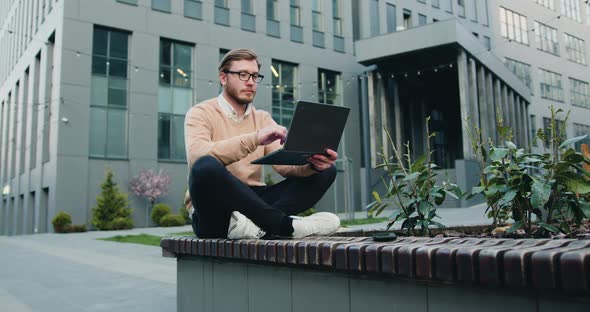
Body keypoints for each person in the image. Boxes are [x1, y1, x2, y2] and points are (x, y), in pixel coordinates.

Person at [184, 48, 341, 239]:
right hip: (214, 210)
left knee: (326, 171)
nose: (250, 82)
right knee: (204, 165)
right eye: (243, 75)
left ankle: (255, 227)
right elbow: (197, 155)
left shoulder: (263, 118)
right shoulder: (200, 113)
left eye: (255, 76)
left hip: (256, 202)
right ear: (223, 78)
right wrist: (255, 139)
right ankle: (283, 225)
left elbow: (286, 168)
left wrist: (313, 163)